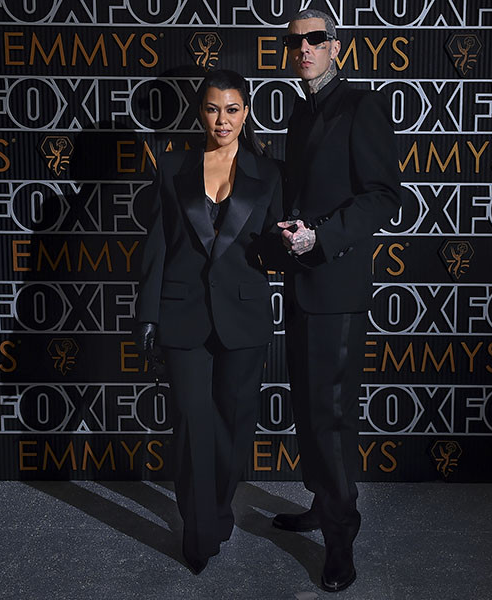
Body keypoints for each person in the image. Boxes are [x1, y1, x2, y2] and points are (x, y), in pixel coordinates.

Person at [272, 9, 402, 593]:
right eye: (295, 41)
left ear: (336, 48)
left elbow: (382, 197)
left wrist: (322, 238)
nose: (305, 48)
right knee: (308, 406)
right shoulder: (300, 110)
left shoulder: (360, 105)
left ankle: (341, 537)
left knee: (331, 416)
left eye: (316, 39)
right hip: (300, 285)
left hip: (337, 286)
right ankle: (324, 503)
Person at [134, 69, 284, 574]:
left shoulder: (270, 172)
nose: (223, 120)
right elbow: (157, 246)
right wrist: (147, 314)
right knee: (193, 424)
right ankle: (197, 530)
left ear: (246, 112)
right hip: (182, 314)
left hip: (243, 315)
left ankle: (219, 509)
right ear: (201, 112)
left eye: (233, 109)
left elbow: (275, 245)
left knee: (235, 428)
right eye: (214, 108)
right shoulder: (173, 165)